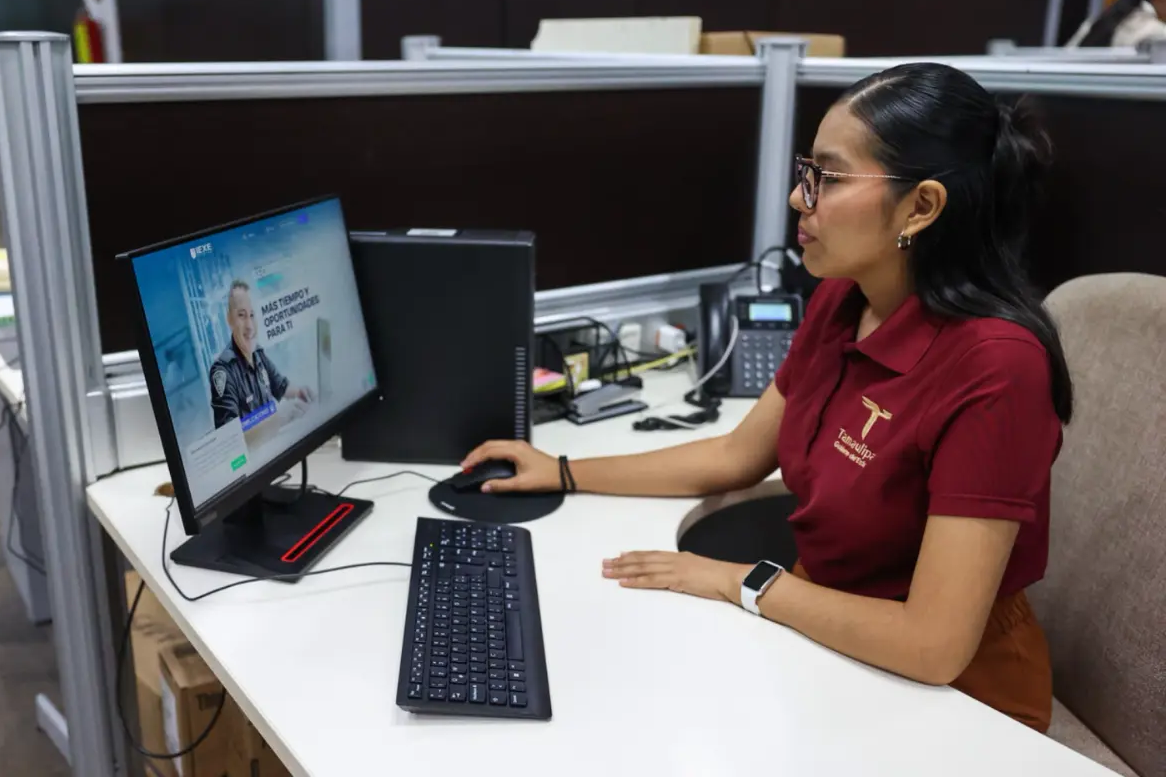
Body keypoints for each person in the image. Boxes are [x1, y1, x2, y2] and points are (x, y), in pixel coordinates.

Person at [461, 62, 1072, 733]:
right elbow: (737, 454)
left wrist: (739, 582)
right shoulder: (845, 298)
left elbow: (933, 646)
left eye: (829, 178)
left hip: (957, 702)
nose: (797, 198)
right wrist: (565, 472)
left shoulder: (995, 368)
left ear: (921, 207)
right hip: (827, 629)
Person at [209, 279, 313, 432]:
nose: (250, 326)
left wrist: (300, 392)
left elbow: (281, 386)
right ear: (230, 319)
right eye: (242, 315)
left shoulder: (258, 354)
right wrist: (279, 419)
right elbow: (230, 438)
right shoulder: (223, 371)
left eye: (252, 315)